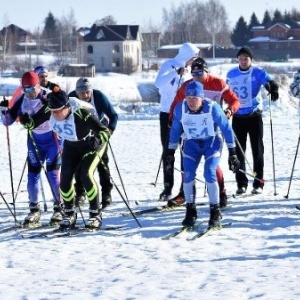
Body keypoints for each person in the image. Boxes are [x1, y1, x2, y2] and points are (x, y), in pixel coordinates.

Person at [168, 57, 240, 208]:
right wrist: (171, 119)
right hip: (192, 128)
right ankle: (185, 195)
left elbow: (235, 100)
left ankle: (221, 193)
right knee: (187, 163)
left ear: (206, 71)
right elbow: (177, 103)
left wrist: (229, 111)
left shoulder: (218, 83)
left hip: (213, 126)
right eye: (193, 73)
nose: (196, 76)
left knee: (211, 166)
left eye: (200, 72)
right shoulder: (188, 85)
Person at [0, 71, 62, 226]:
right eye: (25, 90)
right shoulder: (22, 99)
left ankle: (59, 208)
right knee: (32, 177)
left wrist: (32, 121)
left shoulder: (48, 97)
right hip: (35, 141)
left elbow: (46, 114)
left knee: (53, 175)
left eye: (31, 89)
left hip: (53, 140)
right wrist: (3, 111)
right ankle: (34, 209)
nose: (28, 94)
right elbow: (8, 121)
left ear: (38, 85)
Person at [48, 88, 111, 229]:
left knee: (86, 175)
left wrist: (98, 140)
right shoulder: (51, 112)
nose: (55, 114)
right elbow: (33, 121)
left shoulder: (81, 114)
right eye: (52, 111)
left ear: (67, 107)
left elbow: (104, 131)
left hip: (91, 145)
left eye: (58, 111)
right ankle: (69, 213)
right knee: (65, 178)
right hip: (72, 146)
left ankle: (95, 214)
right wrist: (27, 121)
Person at [226, 47, 279, 195]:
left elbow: (269, 81)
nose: (243, 61)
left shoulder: (258, 72)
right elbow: (225, 91)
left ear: (251, 59)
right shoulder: (231, 74)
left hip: (254, 116)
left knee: (257, 150)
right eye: (241, 58)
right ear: (238, 59)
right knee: (238, 151)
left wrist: (273, 87)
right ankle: (241, 183)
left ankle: (258, 182)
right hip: (237, 117)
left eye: (246, 58)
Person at [154, 42, 200, 201]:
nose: (195, 60)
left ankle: (185, 186)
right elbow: (158, 84)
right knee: (168, 151)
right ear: (186, 56)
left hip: (185, 115)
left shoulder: (192, 71)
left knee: (186, 151)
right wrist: (176, 73)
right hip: (167, 113)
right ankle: (167, 187)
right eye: (193, 57)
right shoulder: (169, 65)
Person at [68, 77, 118, 209]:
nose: (85, 95)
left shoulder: (99, 96)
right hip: (81, 135)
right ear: (76, 92)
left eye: (87, 92)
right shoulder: (71, 98)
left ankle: (106, 193)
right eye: (82, 93)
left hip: (99, 132)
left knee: (102, 163)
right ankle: (80, 193)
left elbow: (113, 115)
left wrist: (109, 132)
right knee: (80, 164)